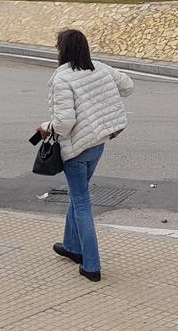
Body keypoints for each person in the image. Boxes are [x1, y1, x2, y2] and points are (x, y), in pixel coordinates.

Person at [38, 29, 133, 282]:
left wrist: (44, 127)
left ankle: (91, 265)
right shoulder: (100, 68)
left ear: (63, 50)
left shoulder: (63, 79)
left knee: (81, 202)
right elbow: (128, 86)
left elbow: (64, 124)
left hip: (77, 149)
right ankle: (72, 247)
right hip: (98, 144)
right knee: (77, 194)